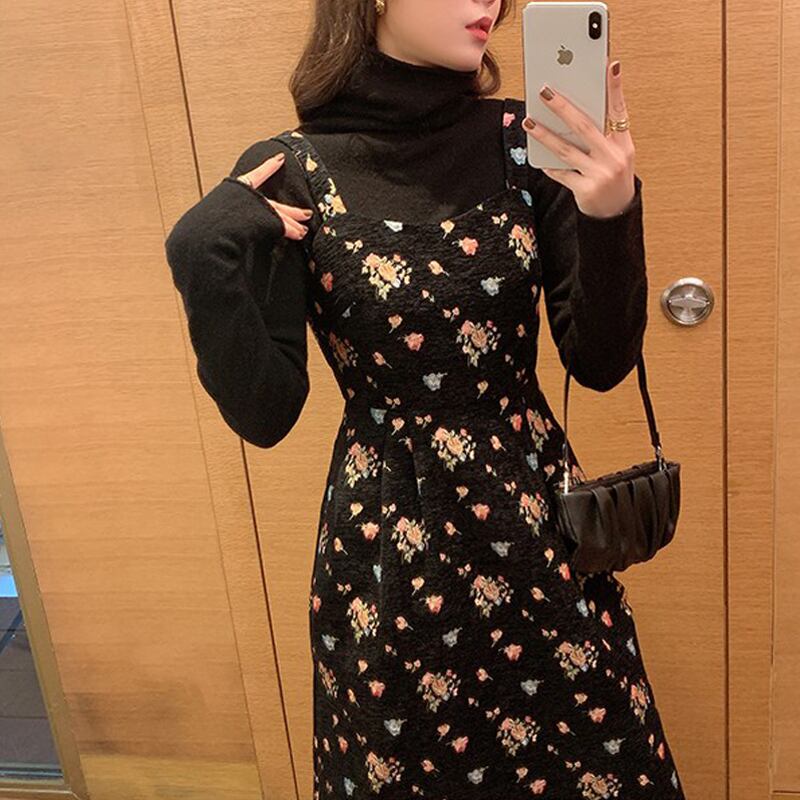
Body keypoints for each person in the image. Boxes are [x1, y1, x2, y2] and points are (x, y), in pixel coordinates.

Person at [164, 1, 686, 797]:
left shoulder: (524, 139)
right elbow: (265, 413)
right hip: (384, 556)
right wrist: (204, 255)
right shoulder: (288, 171)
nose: (488, 3)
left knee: (591, 759)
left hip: (536, 531)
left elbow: (601, 362)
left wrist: (609, 211)